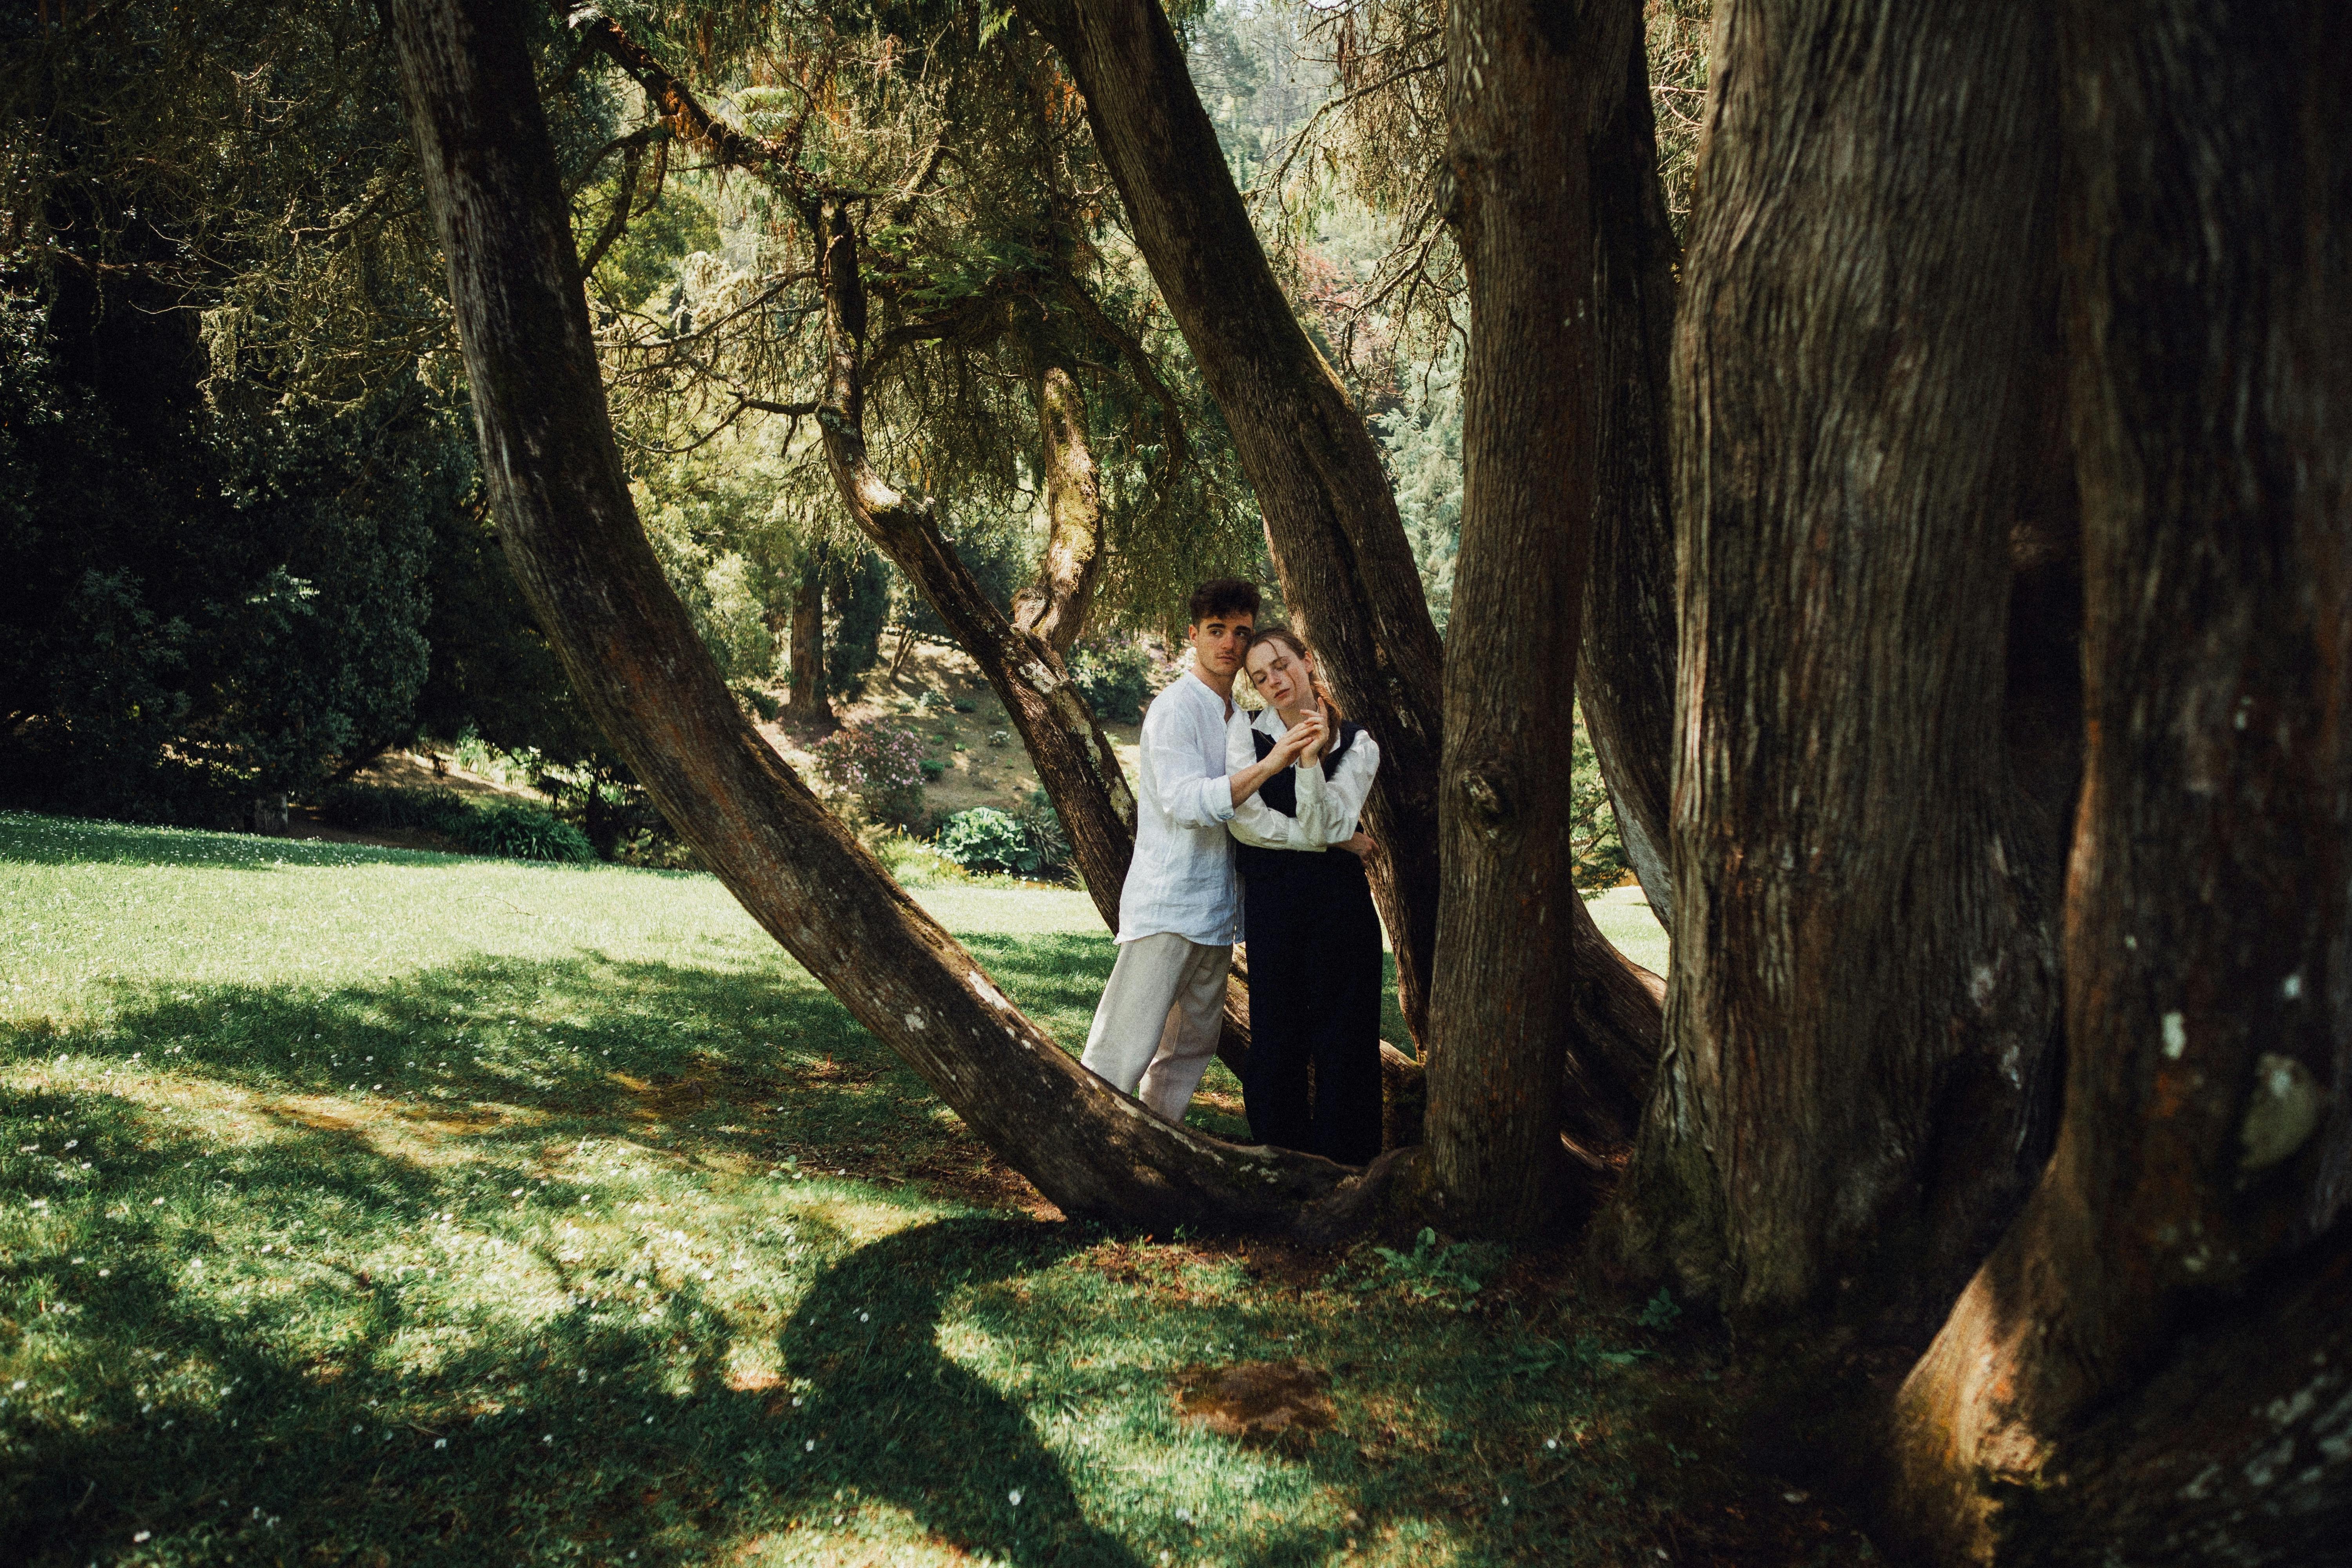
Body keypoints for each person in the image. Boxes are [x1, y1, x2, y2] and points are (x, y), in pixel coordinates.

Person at [1079, 579, 1317, 1122]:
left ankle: (1156, 1148)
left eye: (1241, 632)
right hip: (1168, 906)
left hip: (1216, 915)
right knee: (1121, 1048)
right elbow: (1187, 803)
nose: (1230, 644)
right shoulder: (1174, 710)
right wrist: (1273, 763)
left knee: (1187, 1052)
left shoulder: (1237, 717)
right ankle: (1090, 1143)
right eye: (1216, 632)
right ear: (1193, 636)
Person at [1226, 624, 1384, 1163]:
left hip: (1339, 907)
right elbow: (1245, 823)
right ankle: (1279, 1161)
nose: (1275, 681)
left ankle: (1347, 1166)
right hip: (1273, 905)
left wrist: (1311, 761)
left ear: (1308, 660)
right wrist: (1336, 841)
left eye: (1282, 665)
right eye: (1260, 676)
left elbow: (1331, 819)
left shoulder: (1358, 744)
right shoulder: (1245, 733)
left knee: (1346, 1037)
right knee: (1276, 1034)